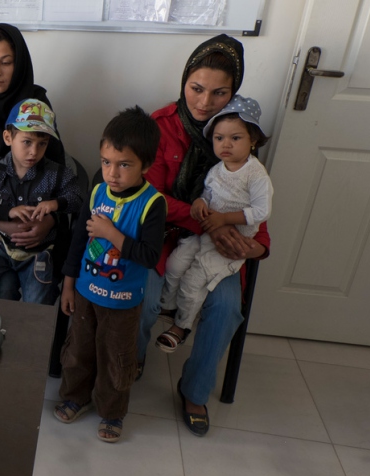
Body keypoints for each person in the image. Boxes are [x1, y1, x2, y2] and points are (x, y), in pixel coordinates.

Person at [137, 34, 271, 437]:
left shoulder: (238, 132)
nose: (204, 102)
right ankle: (132, 362)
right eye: (196, 88)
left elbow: (257, 203)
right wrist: (212, 222)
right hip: (163, 236)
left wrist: (257, 246)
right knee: (142, 296)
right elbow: (152, 199)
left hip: (220, 246)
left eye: (219, 93)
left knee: (228, 307)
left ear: (234, 92)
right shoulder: (160, 127)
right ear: (183, 81)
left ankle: (194, 390)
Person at [53, 106, 165, 443]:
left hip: (123, 301)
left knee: (116, 359)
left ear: (145, 165)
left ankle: (113, 412)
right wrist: (69, 285)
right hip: (86, 293)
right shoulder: (98, 190)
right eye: (106, 162)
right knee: (78, 350)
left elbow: (149, 256)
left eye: (124, 164)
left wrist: (110, 233)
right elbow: (78, 242)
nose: (112, 173)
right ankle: (75, 396)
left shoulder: (152, 204)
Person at [0, 23, 67, 299]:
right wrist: (2, 221)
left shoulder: (36, 104)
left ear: (18, 65)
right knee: (4, 289)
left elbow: (57, 167)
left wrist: (49, 222)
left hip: (38, 216)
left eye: (5, 63)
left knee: (27, 290)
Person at [158, 96, 272, 352]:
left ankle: (181, 326)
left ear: (252, 140)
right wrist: (199, 202)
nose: (226, 144)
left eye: (235, 138)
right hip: (203, 232)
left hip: (228, 245)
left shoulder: (256, 174)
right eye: (219, 138)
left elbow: (262, 211)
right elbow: (208, 194)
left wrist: (224, 219)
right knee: (175, 265)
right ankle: (168, 307)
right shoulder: (216, 169)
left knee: (192, 281)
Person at [0, 99, 80, 304]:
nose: (34, 151)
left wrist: (55, 205)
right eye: (27, 142)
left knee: (37, 307)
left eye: (42, 144)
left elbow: (77, 199)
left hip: (39, 254)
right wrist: (7, 211)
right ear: (8, 137)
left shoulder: (57, 174)